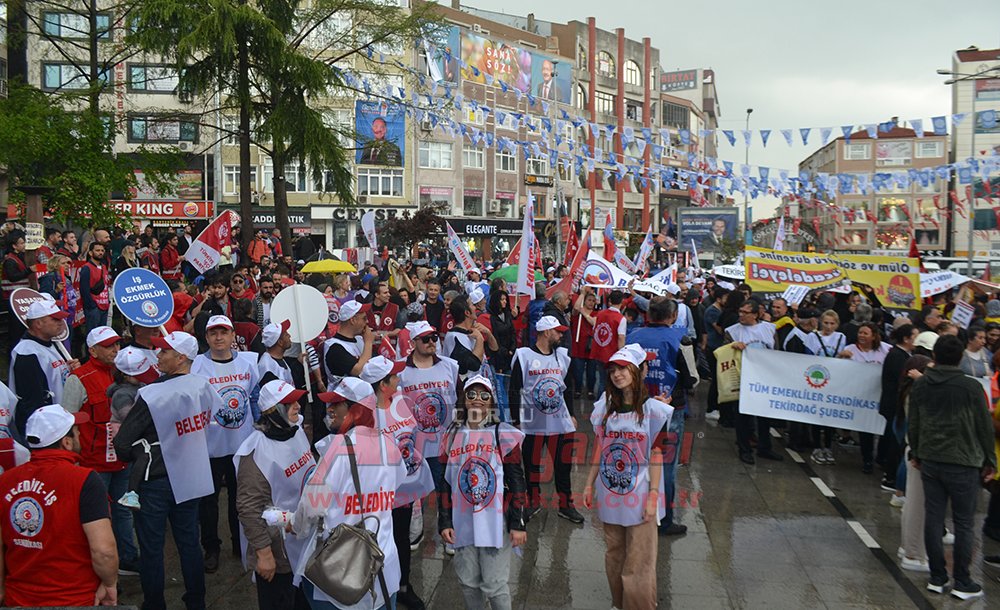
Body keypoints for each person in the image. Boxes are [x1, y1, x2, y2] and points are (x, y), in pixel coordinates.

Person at [114, 331, 218, 610]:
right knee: (189, 543)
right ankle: (197, 602)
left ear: (181, 357)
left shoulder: (152, 394)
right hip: (192, 473)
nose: (157, 356)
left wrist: (141, 450)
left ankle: (155, 604)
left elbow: (122, 443)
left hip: (156, 480)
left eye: (163, 352)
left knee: (151, 549)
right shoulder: (204, 385)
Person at [292, 377, 407, 610]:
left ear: (355, 410)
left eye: (338, 404)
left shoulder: (337, 448)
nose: (330, 409)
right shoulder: (388, 444)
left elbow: (312, 507)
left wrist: (296, 527)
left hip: (339, 570)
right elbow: (397, 483)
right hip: (382, 565)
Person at [583, 344, 673, 610]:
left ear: (636, 370)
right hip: (610, 491)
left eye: (623, 368)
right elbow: (601, 446)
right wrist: (589, 483)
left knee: (640, 557)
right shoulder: (606, 407)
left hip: (641, 491)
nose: (617, 374)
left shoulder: (654, 410)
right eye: (613, 369)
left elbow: (657, 454)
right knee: (614, 552)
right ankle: (618, 602)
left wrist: (653, 496)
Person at [0, 405, 119, 607]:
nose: (80, 433)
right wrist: (110, 583)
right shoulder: (85, 480)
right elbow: (103, 550)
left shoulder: (6, 481)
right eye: (76, 431)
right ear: (67, 442)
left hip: (18, 598)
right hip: (75, 598)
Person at [909, 334, 996, 600]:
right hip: (964, 462)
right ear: (960, 357)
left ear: (934, 355)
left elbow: (915, 422)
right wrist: (989, 460)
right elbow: (984, 426)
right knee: (964, 523)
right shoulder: (970, 388)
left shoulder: (921, 385)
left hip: (931, 460)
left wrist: (917, 451)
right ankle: (962, 580)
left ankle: (937, 577)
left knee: (934, 519)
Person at [438, 374, 527, 610]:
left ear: (491, 402)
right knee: (468, 582)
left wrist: (518, 522)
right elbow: (445, 482)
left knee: (495, 584)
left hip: (496, 521)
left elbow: (517, 479)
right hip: (463, 520)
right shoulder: (452, 434)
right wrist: (445, 520)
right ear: (464, 399)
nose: (478, 399)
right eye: (472, 394)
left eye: (485, 395)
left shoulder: (503, 433)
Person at [60, 326, 141, 574]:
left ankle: (128, 558)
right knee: (94, 516)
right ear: (92, 350)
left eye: (117, 344)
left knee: (124, 511)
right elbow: (67, 422)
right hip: (93, 463)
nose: (115, 349)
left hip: (123, 459)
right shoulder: (78, 379)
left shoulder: (124, 373)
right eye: (108, 346)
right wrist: (71, 460)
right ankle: (93, 563)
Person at [361, 356, 434, 610]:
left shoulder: (400, 401)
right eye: (394, 376)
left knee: (402, 539)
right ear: (383, 384)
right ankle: (378, 587)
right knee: (381, 540)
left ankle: (403, 586)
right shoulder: (366, 416)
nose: (398, 379)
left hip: (405, 491)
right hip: (380, 495)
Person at [234, 379, 312, 610]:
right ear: (272, 411)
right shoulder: (255, 454)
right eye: (289, 403)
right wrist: (264, 553)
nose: (298, 406)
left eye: (296, 400)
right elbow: (249, 509)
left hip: (303, 542)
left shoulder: (295, 430)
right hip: (279, 553)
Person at [191, 315, 261, 573]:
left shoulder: (249, 362)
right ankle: (211, 547)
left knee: (239, 499)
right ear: (206, 337)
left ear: (233, 336)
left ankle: (238, 543)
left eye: (224, 332)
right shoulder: (197, 366)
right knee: (208, 502)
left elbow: (254, 397)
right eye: (213, 333)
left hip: (242, 444)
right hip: (209, 447)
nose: (219, 338)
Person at [627, 297, 695, 536]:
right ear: (673, 316)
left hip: (637, 406)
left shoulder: (633, 336)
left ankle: (633, 510)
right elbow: (691, 379)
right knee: (666, 465)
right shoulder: (680, 339)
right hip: (669, 410)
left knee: (638, 459)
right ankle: (664, 520)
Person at [510, 316, 581, 523]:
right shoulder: (524, 356)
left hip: (559, 422)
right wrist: (516, 420)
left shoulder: (561, 356)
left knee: (563, 465)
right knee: (531, 464)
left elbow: (567, 387)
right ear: (545, 332)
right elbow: (514, 389)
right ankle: (533, 501)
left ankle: (566, 505)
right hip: (533, 423)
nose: (560, 335)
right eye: (557, 331)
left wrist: (573, 414)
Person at [398, 320, 461, 555]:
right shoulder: (402, 372)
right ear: (414, 342)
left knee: (446, 487)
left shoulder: (449, 366)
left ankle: (448, 530)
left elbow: (461, 397)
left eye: (434, 338)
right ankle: (416, 529)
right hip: (414, 445)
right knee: (416, 490)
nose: (432, 343)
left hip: (445, 442)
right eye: (425, 339)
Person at [10, 295, 79, 438]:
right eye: (55, 319)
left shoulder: (51, 343)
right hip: (46, 429)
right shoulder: (27, 352)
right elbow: (32, 401)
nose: (61, 322)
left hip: (60, 421)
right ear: (38, 323)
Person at [725, 298, 782, 464]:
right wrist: (732, 347)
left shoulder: (769, 329)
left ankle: (765, 447)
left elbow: (776, 351)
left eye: (746, 312)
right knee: (742, 417)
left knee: (764, 416)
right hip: (742, 379)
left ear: (757, 314)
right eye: (740, 312)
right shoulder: (732, 332)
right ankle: (745, 449)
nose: (741, 315)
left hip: (765, 378)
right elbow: (722, 355)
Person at [897, 355, 933, 573]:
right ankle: (914, 553)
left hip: (913, 450)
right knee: (917, 505)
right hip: (918, 452)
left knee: (913, 503)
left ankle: (907, 547)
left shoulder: (913, 390)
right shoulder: (915, 392)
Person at [839, 321, 890, 473]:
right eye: (860, 332)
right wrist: (841, 357)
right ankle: (867, 460)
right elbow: (838, 370)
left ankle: (881, 458)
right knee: (865, 429)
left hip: (879, 396)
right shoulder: (850, 349)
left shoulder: (885, 349)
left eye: (865, 333)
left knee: (883, 429)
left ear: (874, 336)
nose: (861, 335)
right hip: (860, 397)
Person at [323, 300, 376, 387]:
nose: (367, 322)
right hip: (344, 397)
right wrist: (368, 342)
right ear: (353, 320)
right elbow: (357, 370)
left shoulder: (359, 339)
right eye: (364, 318)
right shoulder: (334, 347)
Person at [442, 296, 495, 377]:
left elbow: (495, 350)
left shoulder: (472, 332)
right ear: (467, 313)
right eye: (472, 305)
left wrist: (488, 333)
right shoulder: (454, 337)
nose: (475, 307)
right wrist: (480, 339)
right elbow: (473, 366)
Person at [591, 291, 628, 399]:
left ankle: (599, 404)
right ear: (622, 302)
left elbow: (595, 330)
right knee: (611, 382)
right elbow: (621, 338)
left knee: (602, 380)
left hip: (598, 352)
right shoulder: (621, 318)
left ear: (610, 301)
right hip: (612, 355)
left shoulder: (600, 314)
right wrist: (622, 355)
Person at [2, 231, 31, 346]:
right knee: (16, 330)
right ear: (14, 246)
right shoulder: (10, 260)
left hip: (20, 298)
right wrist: (29, 270)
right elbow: (12, 277)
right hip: (12, 297)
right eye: (22, 243)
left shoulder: (20, 257)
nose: (24, 245)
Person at [571, 288, 599, 399]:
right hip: (578, 346)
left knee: (591, 372)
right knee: (578, 371)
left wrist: (586, 314)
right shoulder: (578, 313)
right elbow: (576, 308)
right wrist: (582, 294)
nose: (591, 303)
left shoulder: (597, 313)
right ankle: (578, 390)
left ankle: (590, 391)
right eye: (589, 300)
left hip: (591, 346)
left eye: (593, 300)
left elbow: (594, 322)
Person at [79, 241, 111, 335]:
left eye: (102, 250)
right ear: (90, 253)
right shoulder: (87, 268)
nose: (100, 252)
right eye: (97, 250)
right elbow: (84, 289)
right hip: (94, 307)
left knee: (102, 334)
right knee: (93, 335)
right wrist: (91, 305)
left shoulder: (104, 267)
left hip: (104, 305)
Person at [259, 319, 294, 385]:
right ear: (280, 342)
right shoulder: (268, 369)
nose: (289, 335)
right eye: (286, 335)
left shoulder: (278, 359)